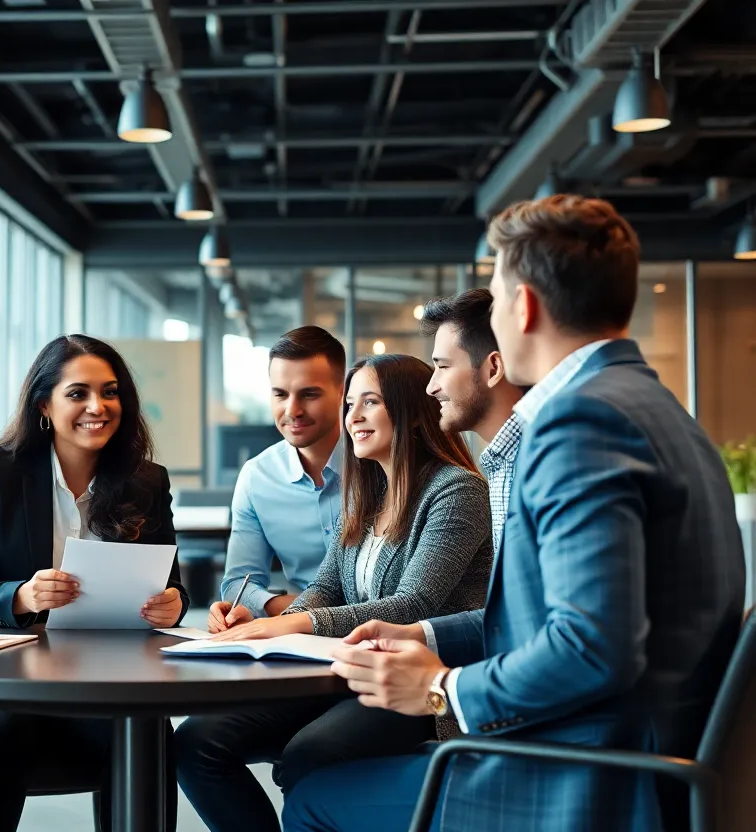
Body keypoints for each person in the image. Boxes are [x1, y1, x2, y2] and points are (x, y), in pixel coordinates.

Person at [284, 196, 745, 832]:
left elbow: (591, 647)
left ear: (523, 306)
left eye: (497, 300)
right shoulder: (661, 412)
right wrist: (426, 636)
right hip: (638, 757)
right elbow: (573, 615)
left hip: (577, 778)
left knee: (314, 799)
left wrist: (443, 688)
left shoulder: (579, 422)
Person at [176, 353, 493, 832]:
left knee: (310, 755)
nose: (354, 418)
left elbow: (413, 606)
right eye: (350, 405)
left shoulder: (457, 491)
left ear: (410, 412)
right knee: (196, 743)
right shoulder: (369, 494)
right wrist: (270, 630)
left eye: (371, 402)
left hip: (413, 688)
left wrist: (293, 621)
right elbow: (325, 587)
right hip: (342, 674)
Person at [0, 334, 188, 832]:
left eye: (110, 392)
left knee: (147, 733)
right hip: (1, 683)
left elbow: (174, 585)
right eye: (78, 394)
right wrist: (21, 596)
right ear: (44, 406)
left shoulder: (147, 480)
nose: (98, 406)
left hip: (104, 678)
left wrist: (173, 604)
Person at [209, 326, 346, 633]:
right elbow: (237, 586)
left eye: (309, 394)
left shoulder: (380, 465)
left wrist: (296, 611)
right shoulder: (257, 477)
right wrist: (291, 610)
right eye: (280, 394)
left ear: (342, 392)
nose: (292, 410)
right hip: (300, 639)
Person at [421, 288, 527, 555]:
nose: (431, 387)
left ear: (493, 369)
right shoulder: (501, 461)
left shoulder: (540, 458)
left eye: (443, 366)